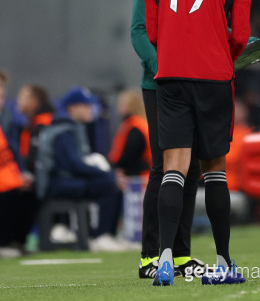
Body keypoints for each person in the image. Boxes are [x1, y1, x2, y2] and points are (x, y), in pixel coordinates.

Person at [145, 0, 251, 286]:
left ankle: (166, 257)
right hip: (214, 76)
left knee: (173, 167)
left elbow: (153, 30)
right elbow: (239, 34)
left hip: (171, 74)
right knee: (215, 171)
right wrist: (225, 55)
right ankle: (222, 261)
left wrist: (176, 50)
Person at [131, 0, 204, 279]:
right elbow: (138, 31)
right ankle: (150, 256)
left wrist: (254, 49)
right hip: (160, 84)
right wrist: (164, 68)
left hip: (192, 82)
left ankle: (179, 257)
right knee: (164, 169)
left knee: (189, 171)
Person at [43, 87, 124, 252]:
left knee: (110, 181)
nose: (90, 109)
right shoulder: (63, 130)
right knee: (108, 182)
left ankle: (108, 234)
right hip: (58, 182)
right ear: (72, 108)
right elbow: (74, 165)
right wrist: (105, 173)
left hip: (68, 179)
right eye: (85, 105)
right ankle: (101, 236)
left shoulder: (74, 127)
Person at [0, 72, 38, 257]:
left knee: (30, 191)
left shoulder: (6, 115)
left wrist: (23, 173)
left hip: (6, 174)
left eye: (2, 97)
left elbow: (13, 148)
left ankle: (16, 241)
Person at [108, 89, 152, 180]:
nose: (118, 107)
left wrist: (116, 168)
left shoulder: (135, 127)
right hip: (140, 174)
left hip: (136, 177)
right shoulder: (139, 123)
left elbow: (131, 154)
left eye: (122, 104)